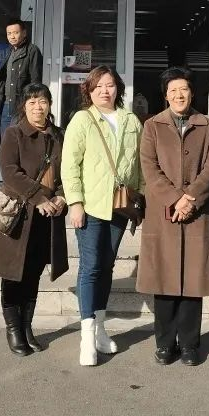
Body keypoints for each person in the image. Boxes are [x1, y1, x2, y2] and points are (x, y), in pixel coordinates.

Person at [136, 67, 209, 367]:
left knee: (192, 282)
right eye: (173, 90)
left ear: (192, 93)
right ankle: (164, 343)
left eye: (183, 89)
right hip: (164, 213)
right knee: (165, 281)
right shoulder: (152, 126)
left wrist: (190, 198)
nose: (179, 95)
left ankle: (189, 344)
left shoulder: (207, 126)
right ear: (166, 95)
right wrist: (175, 198)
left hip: (196, 213)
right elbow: (149, 167)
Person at [61, 65, 144, 367]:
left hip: (119, 205)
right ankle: (87, 336)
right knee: (91, 266)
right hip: (91, 205)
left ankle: (100, 329)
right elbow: (69, 165)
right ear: (89, 90)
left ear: (118, 88)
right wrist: (75, 203)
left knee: (107, 266)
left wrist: (141, 196)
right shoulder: (82, 120)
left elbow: (140, 163)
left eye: (109, 85)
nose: (104, 91)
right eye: (98, 87)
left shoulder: (131, 120)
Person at [0, 83, 68, 356]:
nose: (38, 107)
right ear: (24, 107)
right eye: (32, 103)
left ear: (50, 104)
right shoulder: (14, 134)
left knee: (34, 273)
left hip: (46, 217)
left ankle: (27, 327)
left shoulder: (59, 135)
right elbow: (9, 172)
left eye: (42, 101)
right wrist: (39, 198)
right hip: (18, 216)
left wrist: (61, 197)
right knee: (13, 273)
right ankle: (13, 329)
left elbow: (68, 173)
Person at [0, 18, 43, 134]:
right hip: (7, 104)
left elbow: (36, 81)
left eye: (15, 33)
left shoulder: (32, 50)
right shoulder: (9, 51)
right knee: (6, 139)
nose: (12, 36)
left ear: (24, 33)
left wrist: (31, 105)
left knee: (19, 138)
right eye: (9, 33)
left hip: (21, 105)